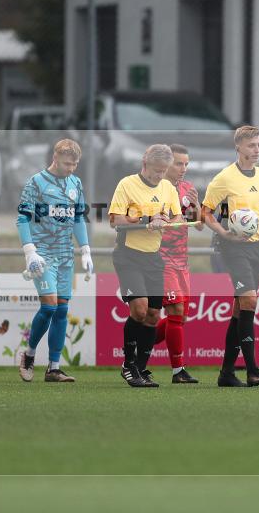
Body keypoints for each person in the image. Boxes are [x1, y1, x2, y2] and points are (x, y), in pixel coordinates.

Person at [201, 126, 259, 388]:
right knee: (250, 300)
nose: (256, 150)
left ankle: (226, 373)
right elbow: (205, 212)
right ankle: (253, 370)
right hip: (233, 248)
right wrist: (223, 232)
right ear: (239, 147)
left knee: (240, 308)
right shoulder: (225, 178)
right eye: (252, 145)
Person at [16, 139, 92, 383]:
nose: (71, 168)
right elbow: (23, 219)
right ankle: (29, 355)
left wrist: (86, 250)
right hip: (42, 254)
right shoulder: (36, 182)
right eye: (68, 163)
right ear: (55, 158)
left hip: (65, 254)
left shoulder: (75, 183)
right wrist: (30, 251)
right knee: (48, 307)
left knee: (61, 310)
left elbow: (79, 218)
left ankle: (54, 368)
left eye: (75, 164)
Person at [110, 144, 184, 388]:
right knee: (139, 311)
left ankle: (141, 367)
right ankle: (128, 365)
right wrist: (145, 221)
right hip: (128, 255)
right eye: (156, 171)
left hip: (153, 257)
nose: (160, 176)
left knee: (153, 315)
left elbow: (178, 217)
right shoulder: (127, 184)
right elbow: (115, 220)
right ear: (145, 163)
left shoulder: (167, 188)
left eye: (164, 171)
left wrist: (166, 221)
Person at [154, 144, 202, 384]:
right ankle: (178, 370)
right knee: (175, 312)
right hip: (162, 260)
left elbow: (200, 224)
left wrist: (196, 206)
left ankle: (136, 347)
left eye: (186, 164)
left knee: (180, 319)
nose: (183, 168)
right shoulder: (157, 188)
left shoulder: (188, 188)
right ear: (167, 164)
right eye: (178, 163)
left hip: (183, 261)